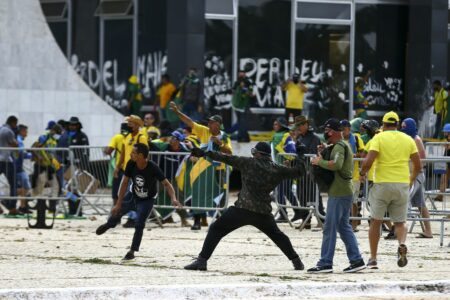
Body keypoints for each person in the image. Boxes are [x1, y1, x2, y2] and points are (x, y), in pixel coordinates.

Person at [184, 142, 306, 271]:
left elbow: (226, 157)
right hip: (263, 212)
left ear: (257, 153)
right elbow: (299, 171)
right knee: (278, 236)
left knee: (216, 229)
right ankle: (296, 261)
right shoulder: (277, 169)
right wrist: (301, 155)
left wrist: (204, 153)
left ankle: (202, 261)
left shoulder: (248, 163)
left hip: (242, 209)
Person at [96, 143, 181, 260]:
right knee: (117, 213)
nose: (130, 154)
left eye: (133, 153)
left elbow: (167, 184)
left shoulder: (153, 167)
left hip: (147, 200)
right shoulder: (131, 164)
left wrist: (174, 199)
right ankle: (109, 224)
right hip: (132, 195)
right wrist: (118, 203)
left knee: (139, 223)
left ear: (140, 155)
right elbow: (124, 183)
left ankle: (132, 251)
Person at [360, 111, 421, 269]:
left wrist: (362, 173)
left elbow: (369, 160)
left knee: (376, 222)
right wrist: (411, 179)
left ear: (384, 123)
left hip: (382, 184)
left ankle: (373, 259)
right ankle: (401, 244)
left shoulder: (379, 138)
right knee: (400, 222)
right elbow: (418, 165)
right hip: (401, 183)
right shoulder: (408, 139)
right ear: (398, 124)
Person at [307, 118, 365, 274]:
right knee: (343, 227)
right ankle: (356, 260)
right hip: (342, 191)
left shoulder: (339, 146)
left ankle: (325, 263)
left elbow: (337, 165)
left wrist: (319, 162)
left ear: (331, 131)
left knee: (329, 227)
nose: (325, 133)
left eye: (326, 130)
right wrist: (324, 151)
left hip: (339, 193)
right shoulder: (338, 146)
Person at [169, 101, 232, 230]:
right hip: (202, 168)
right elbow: (190, 122)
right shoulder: (204, 131)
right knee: (199, 193)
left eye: (211, 122)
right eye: (208, 122)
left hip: (219, 169)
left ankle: (220, 221)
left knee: (220, 194)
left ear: (218, 124)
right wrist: (177, 112)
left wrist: (220, 143)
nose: (208, 124)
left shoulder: (225, 137)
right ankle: (197, 221)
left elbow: (229, 152)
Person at [290, 115, 326, 227]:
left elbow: (313, 153)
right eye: (297, 125)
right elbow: (297, 155)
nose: (299, 127)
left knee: (315, 196)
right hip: (301, 171)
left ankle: (321, 220)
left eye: (301, 125)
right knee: (301, 196)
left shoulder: (314, 138)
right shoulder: (299, 138)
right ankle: (306, 220)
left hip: (311, 171)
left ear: (307, 125)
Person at [400, 118, 433, 238]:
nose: (403, 129)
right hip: (412, 174)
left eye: (405, 127)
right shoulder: (407, 139)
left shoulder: (416, 139)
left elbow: (423, 159)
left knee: (404, 198)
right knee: (421, 205)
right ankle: (428, 231)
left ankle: (399, 229)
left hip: (417, 174)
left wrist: (413, 173)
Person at [114, 115, 148, 228]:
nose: (128, 125)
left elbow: (145, 154)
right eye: (128, 123)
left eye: (131, 123)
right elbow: (123, 153)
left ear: (137, 125)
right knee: (125, 194)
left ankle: (132, 218)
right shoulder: (127, 136)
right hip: (127, 170)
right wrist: (117, 167)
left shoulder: (141, 137)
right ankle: (129, 217)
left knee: (131, 194)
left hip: (137, 169)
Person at [270, 117, 300, 222]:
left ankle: (285, 214)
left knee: (281, 191)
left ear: (281, 126)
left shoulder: (285, 135)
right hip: (280, 168)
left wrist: (288, 160)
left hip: (283, 169)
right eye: (274, 124)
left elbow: (291, 153)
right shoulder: (283, 135)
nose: (274, 126)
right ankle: (298, 211)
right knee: (286, 191)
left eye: (276, 124)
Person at [104, 122, 129, 206]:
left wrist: (105, 150)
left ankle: (116, 211)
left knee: (116, 192)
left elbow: (108, 151)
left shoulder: (117, 137)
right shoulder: (132, 137)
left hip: (120, 168)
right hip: (132, 167)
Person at [0, 116, 19, 214]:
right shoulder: (9, 131)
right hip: (6, 160)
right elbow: (15, 144)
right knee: (13, 184)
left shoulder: (0, 129)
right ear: (13, 123)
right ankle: (12, 208)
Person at [231, 70, 253, 142]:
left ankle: (242, 136)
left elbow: (251, 93)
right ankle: (243, 136)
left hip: (245, 105)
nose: (241, 76)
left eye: (242, 74)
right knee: (240, 121)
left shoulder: (248, 82)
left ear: (245, 74)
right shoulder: (236, 83)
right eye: (240, 74)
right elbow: (233, 91)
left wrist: (245, 91)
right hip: (237, 105)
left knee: (243, 121)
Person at [15, 124, 32, 214]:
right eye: (25, 132)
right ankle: (8, 199)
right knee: (24, 188)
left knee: (25, 187)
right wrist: (33, 155)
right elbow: (21, 152)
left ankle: (23, 206)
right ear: (21, 131)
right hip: (17, 168)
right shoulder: (19, 140)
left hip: (18, 168)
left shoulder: (19, 139)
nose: (26, 134)